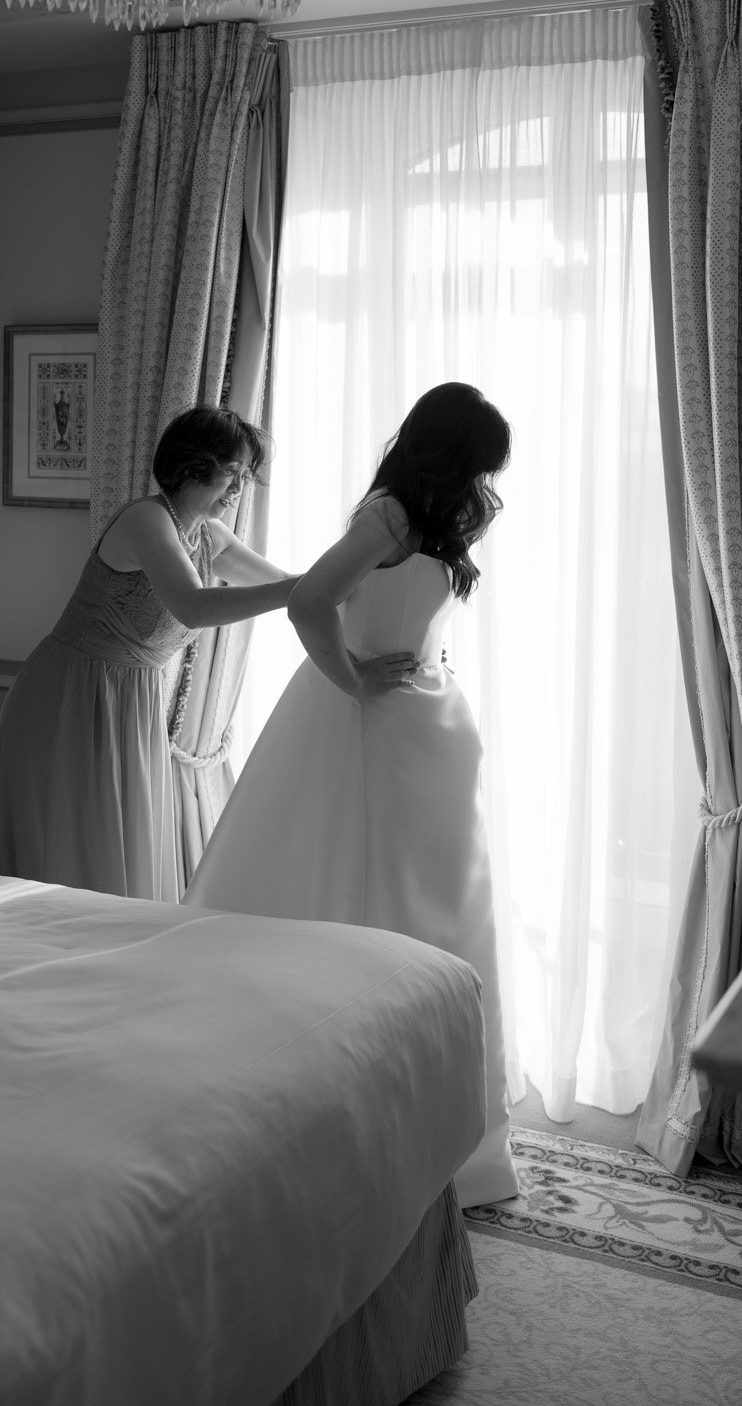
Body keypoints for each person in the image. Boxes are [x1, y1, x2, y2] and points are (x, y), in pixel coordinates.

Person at [186, 382, 519, 1208]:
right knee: (365, 898)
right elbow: (309, 599)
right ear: (448, 451)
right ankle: (347, 1123)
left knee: (441, 909)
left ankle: (443, 1131)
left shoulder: (441, 512)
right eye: (477, 460)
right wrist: (352, 678)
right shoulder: (389, 514)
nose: (485, 479)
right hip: (368, 726)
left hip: (428, 729)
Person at [0, 405, 298, 902]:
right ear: (194, 464)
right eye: (231, 473)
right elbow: (194, 606)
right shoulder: (146, 521)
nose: (238, 489)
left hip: (131, 699)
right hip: (70, 694)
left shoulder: (206, 535)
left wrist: (346, 588)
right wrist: (299, 594)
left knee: (120, 847)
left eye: (244, 476)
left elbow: (281, 582)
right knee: (71, 849)